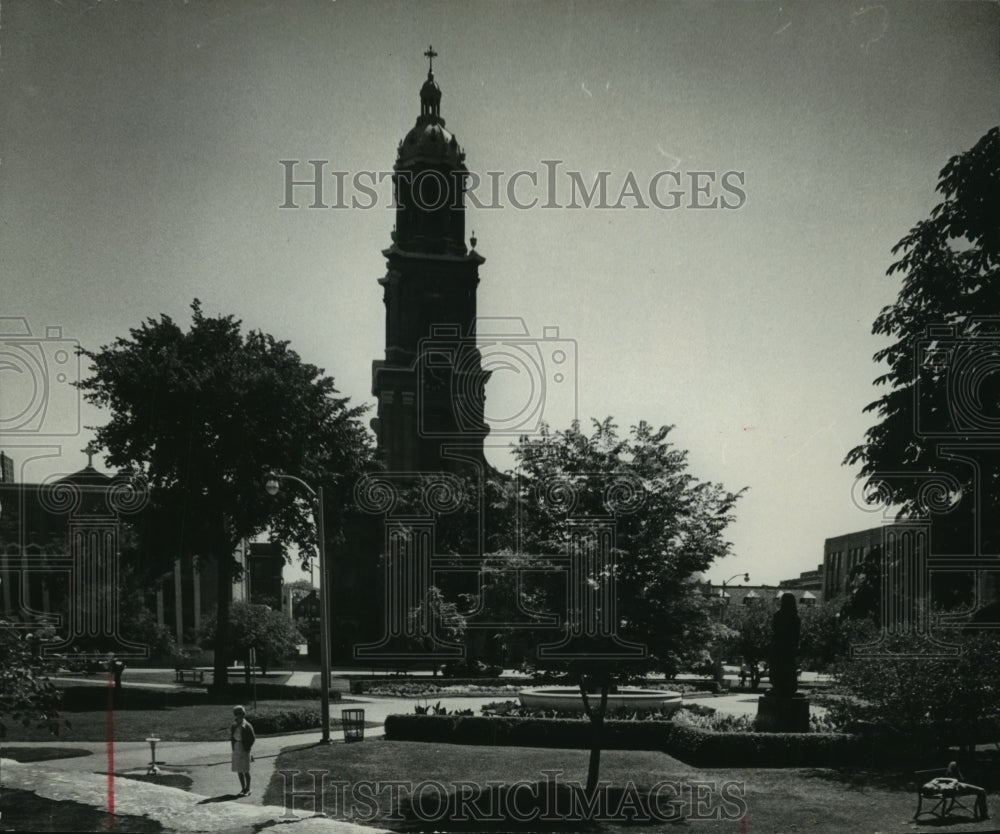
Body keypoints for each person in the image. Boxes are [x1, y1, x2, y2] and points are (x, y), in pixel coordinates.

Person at [230, 705, 256, 796]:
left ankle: (248, 788)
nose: (238, 716)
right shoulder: (234, 725)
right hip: (237, 747)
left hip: (244, 748)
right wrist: (233, 747)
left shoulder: (247, 725)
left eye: (240, 714)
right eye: (236, 714)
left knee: (245, 769)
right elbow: (232, 737)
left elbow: (252, 738)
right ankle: (243, 788)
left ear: (243, 714)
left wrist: (248, 747)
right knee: (239, 769)